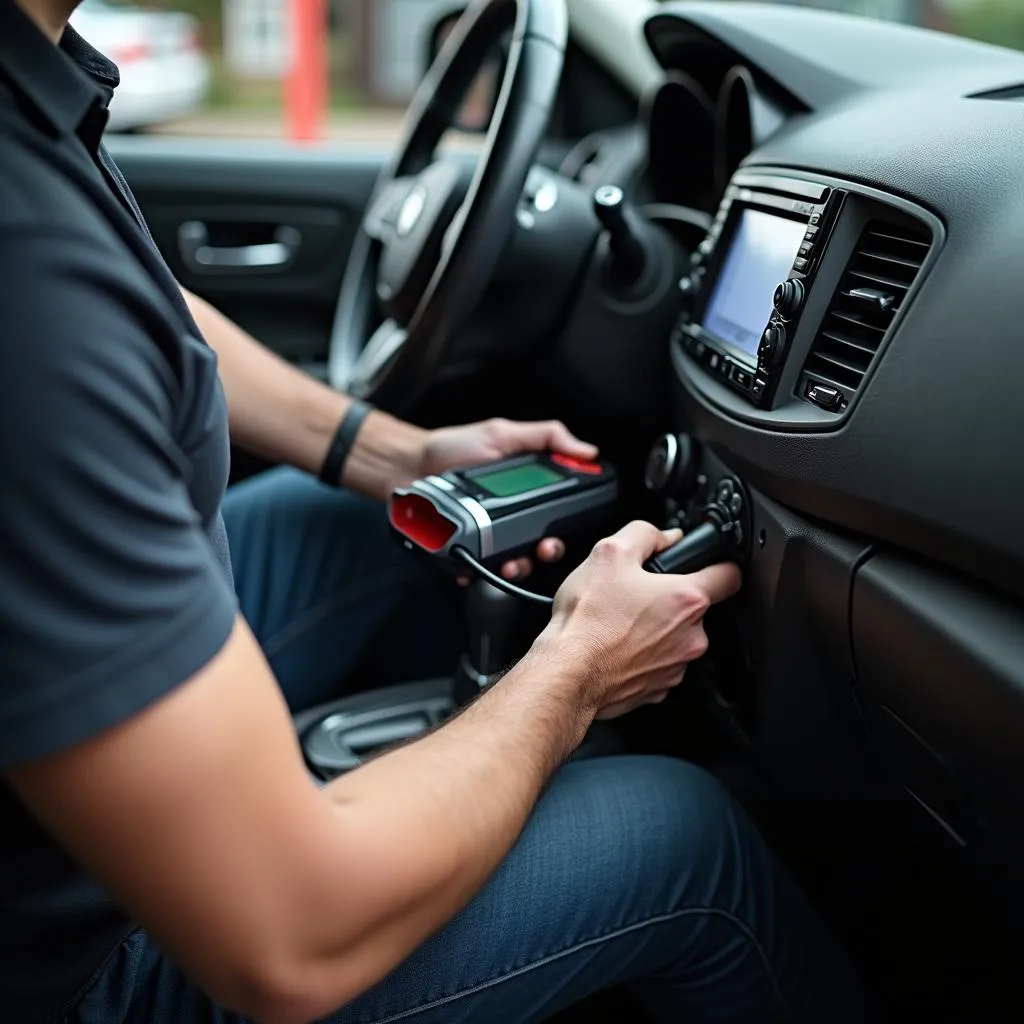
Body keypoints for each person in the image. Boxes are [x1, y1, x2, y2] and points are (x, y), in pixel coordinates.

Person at [0, 2, 874, 1022]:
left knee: (389, 536)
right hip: (77, 969)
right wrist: (575, 675)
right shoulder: (25, 279)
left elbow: (138, 305)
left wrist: (386, 450)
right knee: (685, 834)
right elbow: (290, 932)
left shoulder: (34, 97)